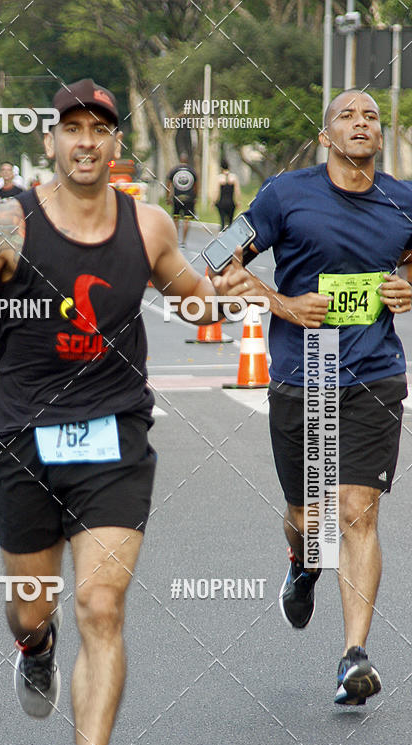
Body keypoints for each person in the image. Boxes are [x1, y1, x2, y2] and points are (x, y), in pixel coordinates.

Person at [0, 77, 240, 745]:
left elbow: (194, 300)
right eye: (72, 128)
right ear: (52, 142)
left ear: (116, 144)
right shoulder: (10, 224)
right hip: (21, 441)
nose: (86, 141)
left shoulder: (151, 224)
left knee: (101, 605)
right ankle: (35, 647)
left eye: (100, 127)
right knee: (33, 608)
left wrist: (225, 298)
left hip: (115, 439)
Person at [212, 90, 412, 706]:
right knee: (312, 519)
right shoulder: (284, 195)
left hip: (375, 376)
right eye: (347, 116)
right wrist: (283, 304)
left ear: (381, 135)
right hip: (303, 377)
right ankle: (303, 562)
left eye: (371, 116)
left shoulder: (404, 200)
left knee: (358, 510)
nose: (361, 123)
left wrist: (408, 288)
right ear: (326, 137)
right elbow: (218, 264)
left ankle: (354, 656)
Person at [167, 151, 197, 248]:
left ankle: (176, 240)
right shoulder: (192, 170)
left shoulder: (174, 170)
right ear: (187, 160)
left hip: (177, 198)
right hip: (189, 198)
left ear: (180, 160)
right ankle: (183, 241)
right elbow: (196, 185)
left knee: (176, 219)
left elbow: (169, 184)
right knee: (186, 220)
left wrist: (168, 197)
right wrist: (195, 197)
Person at [214, 157, 240, 230]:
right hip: (231, 202)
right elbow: (237, 191)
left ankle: (222, 234)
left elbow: (217, 192)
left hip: (222, 203)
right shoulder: (234, 177)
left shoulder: (219, 178)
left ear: (221, 168)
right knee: (230, 222)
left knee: (222, 221)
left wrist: (213, 202)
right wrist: (238, 201)